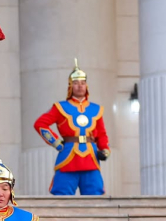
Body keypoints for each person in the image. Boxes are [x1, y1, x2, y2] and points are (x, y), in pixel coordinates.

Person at [33, 59, 110, 196]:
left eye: (82, 83)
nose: (80, 86)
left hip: (91, 158)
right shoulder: (60, 107)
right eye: (76, 83)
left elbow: (101, 134)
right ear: (70, 86)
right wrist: (56, 142)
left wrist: (105, 149)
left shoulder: (96, 109)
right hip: (68, 156)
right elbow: (40, 124)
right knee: (62, 196)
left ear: (87, 85)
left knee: (96, 197)